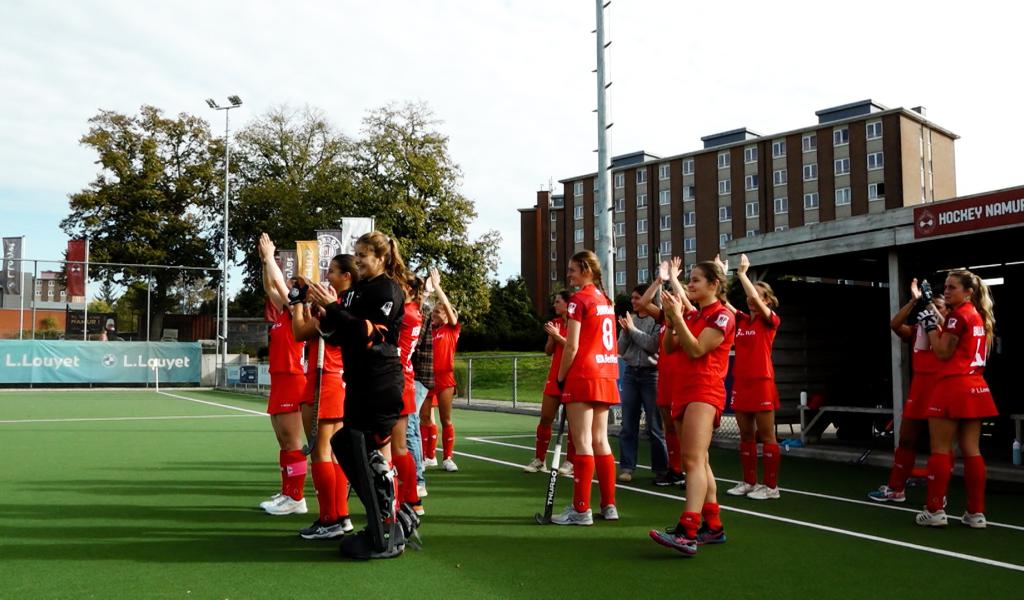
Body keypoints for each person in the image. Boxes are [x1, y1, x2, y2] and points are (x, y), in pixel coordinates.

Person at [307, 231, 419, 559]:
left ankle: (385, 531)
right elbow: (342, 336)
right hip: (358, 381)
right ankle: (388, 517)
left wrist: (333, 309)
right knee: (346, 444)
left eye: (364, 254)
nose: (357, 259)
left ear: (381, 258)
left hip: (380, 383)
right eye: (355, 253)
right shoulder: (357, 290)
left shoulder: (388, 289)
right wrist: (324, 315)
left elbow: (367, 335)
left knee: (365, 450)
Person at [649, 260, 735, 556]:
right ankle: (712, 525)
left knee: (693, 461)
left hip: (704, 391)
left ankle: (688, 530)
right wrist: (673, 320)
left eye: (696, 280)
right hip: (685, 392)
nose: (690, 284)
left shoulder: (723, 316)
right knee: (700, 461)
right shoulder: (696, 315)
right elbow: (671, 348)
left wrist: (679, 318)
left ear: (714, 284)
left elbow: (698, 349)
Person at [915, 270, 997, 529]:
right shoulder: (975, 315)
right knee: (972, 451)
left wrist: (929, 325)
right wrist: (935, 316)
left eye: (952, 287)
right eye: (946, 287)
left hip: (952, 385)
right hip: (976, 387)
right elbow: (953, 331)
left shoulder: (958, 315)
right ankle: (976, 513)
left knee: (940, 449)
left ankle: (935, 509)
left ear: (968, 291)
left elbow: (941, 351)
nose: (947, 291)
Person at [290, 254, 359, 539]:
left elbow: (299, 332)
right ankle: (340, 516)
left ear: (346, 276)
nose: (326, 276)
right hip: (337, 380)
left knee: (321, 451)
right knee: (336, 452)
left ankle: (330, 518)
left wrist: (298, 305)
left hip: (325, 380)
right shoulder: (348, 305)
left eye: (331, 272)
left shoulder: (339, 306)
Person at [551, 250, 620, 526]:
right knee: (600, 440)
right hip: (605, 374)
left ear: (587, 270)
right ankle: (609, 504)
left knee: (582, 443)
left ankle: (581, 509)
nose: (569, 274)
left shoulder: (579, 300)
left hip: (583, 374)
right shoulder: (606, 300)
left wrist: (560, 375)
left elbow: (572, 345)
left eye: (573, 270)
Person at [868, 278, 947, 503]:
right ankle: (896, 488)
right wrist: (914, 301)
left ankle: (938, 495)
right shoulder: (918, 329)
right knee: (905, 440)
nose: (932, 310)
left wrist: (932, 306)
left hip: (939, 389)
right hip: (918, 390)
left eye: (939, 307)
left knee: (938, 446)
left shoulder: (949, 329)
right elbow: (895, 325)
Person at [257, 233, 309, 517]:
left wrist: (269, 258)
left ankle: (297, 498)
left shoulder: (297, 311)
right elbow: (270, 286)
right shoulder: (281, 314)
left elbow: (277, 283)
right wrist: (266, 263)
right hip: (279, 379)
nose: (286, 288)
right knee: (282, 441)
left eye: (293, 286)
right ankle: (288, 491)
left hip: (292, 379)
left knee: (292, 442)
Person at [726, 253, 783, 500]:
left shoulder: (770, 320)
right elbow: (720, 301)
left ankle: (771, 487)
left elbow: (756, 302)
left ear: (767, 300)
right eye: (751, 295)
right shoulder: (741, 320)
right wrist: (722, 274)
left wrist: (742, 275)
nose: (752, 299)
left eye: (758, 296)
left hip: (762, 383)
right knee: (746, 435)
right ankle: (749, 482)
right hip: (741, 383)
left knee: (767, 435)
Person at [638, 258, 692, 487]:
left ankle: (689, 470)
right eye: (669, 295)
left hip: (682, 380)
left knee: (682, 428)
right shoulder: (663, 319)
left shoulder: (689, 317)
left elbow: (688, 307)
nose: (670, 298)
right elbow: (643, 302)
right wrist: (660, 280)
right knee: (668, 426)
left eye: (675, 296)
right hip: (665, 379)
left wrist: (676, 280)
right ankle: (675, 469)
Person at [616, 284, 668, 483]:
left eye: (638, 298)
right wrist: (627, 332)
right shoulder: (631, 320)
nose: (634, 302)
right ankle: (627, 467)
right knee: (628, 424)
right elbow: (620, 348)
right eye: (633, 298)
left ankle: (661, 469)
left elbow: (652, 345)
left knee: (654, 426)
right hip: (631, 374)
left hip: (651, 375)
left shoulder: (657, 321)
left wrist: (632, 330)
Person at [523, 290, 574, 473]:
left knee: (574, 423)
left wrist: (559, 336)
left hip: (572, 377)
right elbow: (548, 351)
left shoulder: (577, 323)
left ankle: (570, 461)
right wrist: (552, 336)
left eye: (558, 301)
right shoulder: (556, 323)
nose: (555, 305)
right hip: (554, 377)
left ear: (568, 304)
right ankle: (540, 459)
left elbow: (573, 347)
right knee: (545, 417)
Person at [423, 267, 461, 472]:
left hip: (445, 378)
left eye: (438, 311)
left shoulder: (452, 329)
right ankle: (429, 456)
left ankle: (448, 457)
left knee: (446, 419)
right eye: (433, 310)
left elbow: (446, 304)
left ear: (447, 316)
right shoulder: (429, 330)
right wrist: (426, 291)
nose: (434, 313)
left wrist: (437, 287)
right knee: (426, 418)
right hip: (427, 377)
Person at [393, 273, 425, 515]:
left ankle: (411, 498)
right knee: (397, 446)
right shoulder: (412, 310)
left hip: (398, 379)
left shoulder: (407, 313)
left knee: (399, 446)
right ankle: (408, 498)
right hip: (402, 378)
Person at [411, 298, 434, 497]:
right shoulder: (417, 309)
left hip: (417, 375)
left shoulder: (419, 311)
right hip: (415, 376)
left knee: (410, 425)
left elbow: (413, 343)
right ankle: (417, 476)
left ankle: (417, 479)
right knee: (413, 424)